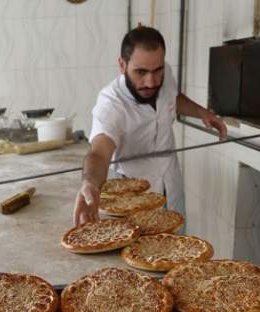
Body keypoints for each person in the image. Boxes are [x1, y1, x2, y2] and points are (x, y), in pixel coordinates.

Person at [73, 26, 227, 226]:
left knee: (177, 248)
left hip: (171, 184)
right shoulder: (111, 104)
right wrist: (90, 183)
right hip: (133, 199)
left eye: (157, 70)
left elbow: (172, 97)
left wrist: (201, 112)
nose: (151, 82)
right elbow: (99, 153)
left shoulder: (165, 73)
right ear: (122, 65)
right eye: (140, 72)